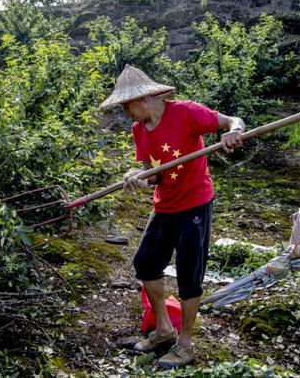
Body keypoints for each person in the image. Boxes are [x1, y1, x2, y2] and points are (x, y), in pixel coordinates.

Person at [100, 65, 245, 370]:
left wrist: (233, 132)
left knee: (189, 274)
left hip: (194, 204)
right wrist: (139, 176)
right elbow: (156, 175)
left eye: (127, 104)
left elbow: (232, 120)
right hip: (165, 205)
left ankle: (186, 344)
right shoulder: (139, 129)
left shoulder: (186, 113)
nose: (125, 111)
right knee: (146, 263)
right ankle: (165, 329)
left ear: (144, 98)